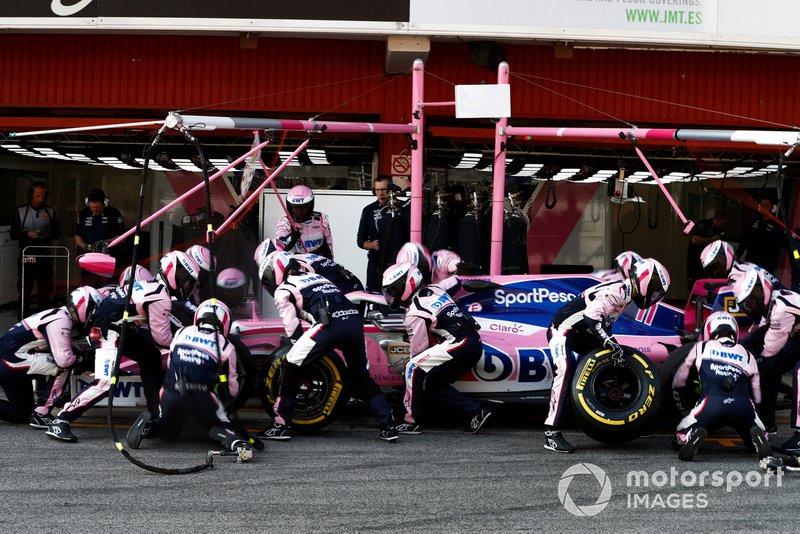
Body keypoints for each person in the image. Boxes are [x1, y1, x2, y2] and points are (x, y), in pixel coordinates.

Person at [45, 250, 200, 443]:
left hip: (117, 328)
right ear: (172, 272)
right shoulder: (161, 297)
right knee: (106, 383)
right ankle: (61, 420)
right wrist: (188, 341)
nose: (187, 285)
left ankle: (156, 414)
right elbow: (163, 338)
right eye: (185, 279)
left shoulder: (151, 286)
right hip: (110, 332)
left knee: (151, 358)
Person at [256, 251, 397, 442]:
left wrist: (299, 350)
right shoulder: (317, 277)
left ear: (276, 271)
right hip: (354, 321)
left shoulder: (284, 289)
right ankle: (388, 425)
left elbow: (292, 327)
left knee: (291, 364)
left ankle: (280, 425)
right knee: (360, 375)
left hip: (329, 325)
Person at [544, 258, 670, 453]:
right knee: (566, 368)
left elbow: (603, 324)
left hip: (582, 333)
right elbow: (591, 317)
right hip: (563, 331)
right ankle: (551, 432)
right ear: (645, 279)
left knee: (617, 360)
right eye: (655, 289)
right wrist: (608, 341)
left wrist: (611, 344)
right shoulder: (617, 292)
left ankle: (631, 421)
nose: (655, 295)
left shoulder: (626, 295)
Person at [125, 299, 252, 462]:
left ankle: (150, 427)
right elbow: (232, 389)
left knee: (169, 427)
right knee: (218, 423)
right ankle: (236, 444)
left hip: (170, 391)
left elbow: (171, 364)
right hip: (201, 395)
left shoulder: (181, 332)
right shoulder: (227, 345)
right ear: (225, 322)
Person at [381, 262, 491, 435]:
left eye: (393, 289)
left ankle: (412, 421)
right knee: (433, 383)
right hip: (474, 344)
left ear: (408, 283)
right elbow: (455, 282)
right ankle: (476, 411)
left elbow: (418, 351)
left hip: (459, 343)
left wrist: (408, 374)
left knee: (412, 368)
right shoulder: (436, 289)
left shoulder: (414, 313)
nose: (390, 295)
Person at [672, 312, 771, 462]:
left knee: (681, 430)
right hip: (743, 406)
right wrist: (755, 404)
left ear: (709, 331)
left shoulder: (702, 347)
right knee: (756, 429)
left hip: (711, 405)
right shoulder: (746, 353)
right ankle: (756, 436)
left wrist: (677, 387)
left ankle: (692, 434)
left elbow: (682, 372)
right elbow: (756, 389)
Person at [0, 286, 101, 426]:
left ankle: (37, 413)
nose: (94, 316)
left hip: (10, 360)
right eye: (93, 311)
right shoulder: (61, 320)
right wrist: (83, 359)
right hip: (10, 361)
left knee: (22, 414)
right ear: (85, 306)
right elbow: (64, 360)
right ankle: (42, 412)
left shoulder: (58, 315)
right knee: (64, 364)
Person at [732, 268, 800, 449]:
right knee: (769, 368)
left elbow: (769, 351)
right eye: (747, 303)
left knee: (792, 370)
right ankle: (767, 422)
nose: (751, 306)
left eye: (753, 299)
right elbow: (761, 333)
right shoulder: (774, 302)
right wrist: (738, 346)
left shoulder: (780, 309)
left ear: (763, 289)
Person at [11, 181, 61, 319]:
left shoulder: (50, 211)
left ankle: (44, 317)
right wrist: (28, 234)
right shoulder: (21, 211)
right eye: (37, 196)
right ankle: (22, 316)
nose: (40, 199)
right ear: (31, 195)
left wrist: (47, 235)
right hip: (28, 253)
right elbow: (13, 234)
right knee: (25, 286)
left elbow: (57, 233)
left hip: (45, 253)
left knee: (44, 286)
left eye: (43, 196)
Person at [74, 188, 125, 286]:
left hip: (109, 259)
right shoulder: (83, 214)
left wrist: (106, 242)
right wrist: (85, 245)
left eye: (97, 207)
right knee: (87, 286)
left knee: (107, 287)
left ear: (104, 203)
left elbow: (122, 237)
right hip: (89, 259)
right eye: (92, 207)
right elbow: (77, 236)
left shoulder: (114, 213)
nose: (94, 209)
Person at [275, 185, 334, 258]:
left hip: (317, 264)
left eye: (303, 207)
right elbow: (279, 248)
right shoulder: (284, 222)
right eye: (296, 208)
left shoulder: (322, 220)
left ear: (310, 205)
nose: (299, 212)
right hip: (294, 264)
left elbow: (329, 248)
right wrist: (291, 238)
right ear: (290, 207)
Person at [357, 175, 392, 291]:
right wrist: (372, 245)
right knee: (372, 295)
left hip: (396, 262)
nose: (381, 193)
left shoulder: (401, 207)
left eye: (383, 189)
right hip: (375, 262)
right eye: (377, 190)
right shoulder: (368, 210)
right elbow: (360, 240)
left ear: (391, 189)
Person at [737, 197, 786, 275]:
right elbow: (745, 238)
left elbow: (785, 243)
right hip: (750, 259)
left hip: (767, 263)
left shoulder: (777, 224)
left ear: (772, 207)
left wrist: (796, 256)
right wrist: (738, 254)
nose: (763, 207)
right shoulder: (753, 219)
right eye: (762, 205)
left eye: (766, 205)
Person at [686, 212, 728, 290]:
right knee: (696, 284)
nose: (724, 226)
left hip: (710, 264)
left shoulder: (719, 231)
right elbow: (695, 240)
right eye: (724, 223)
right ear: (718, 220)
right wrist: (711, 240)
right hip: (696, 261)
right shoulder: (703, 224)